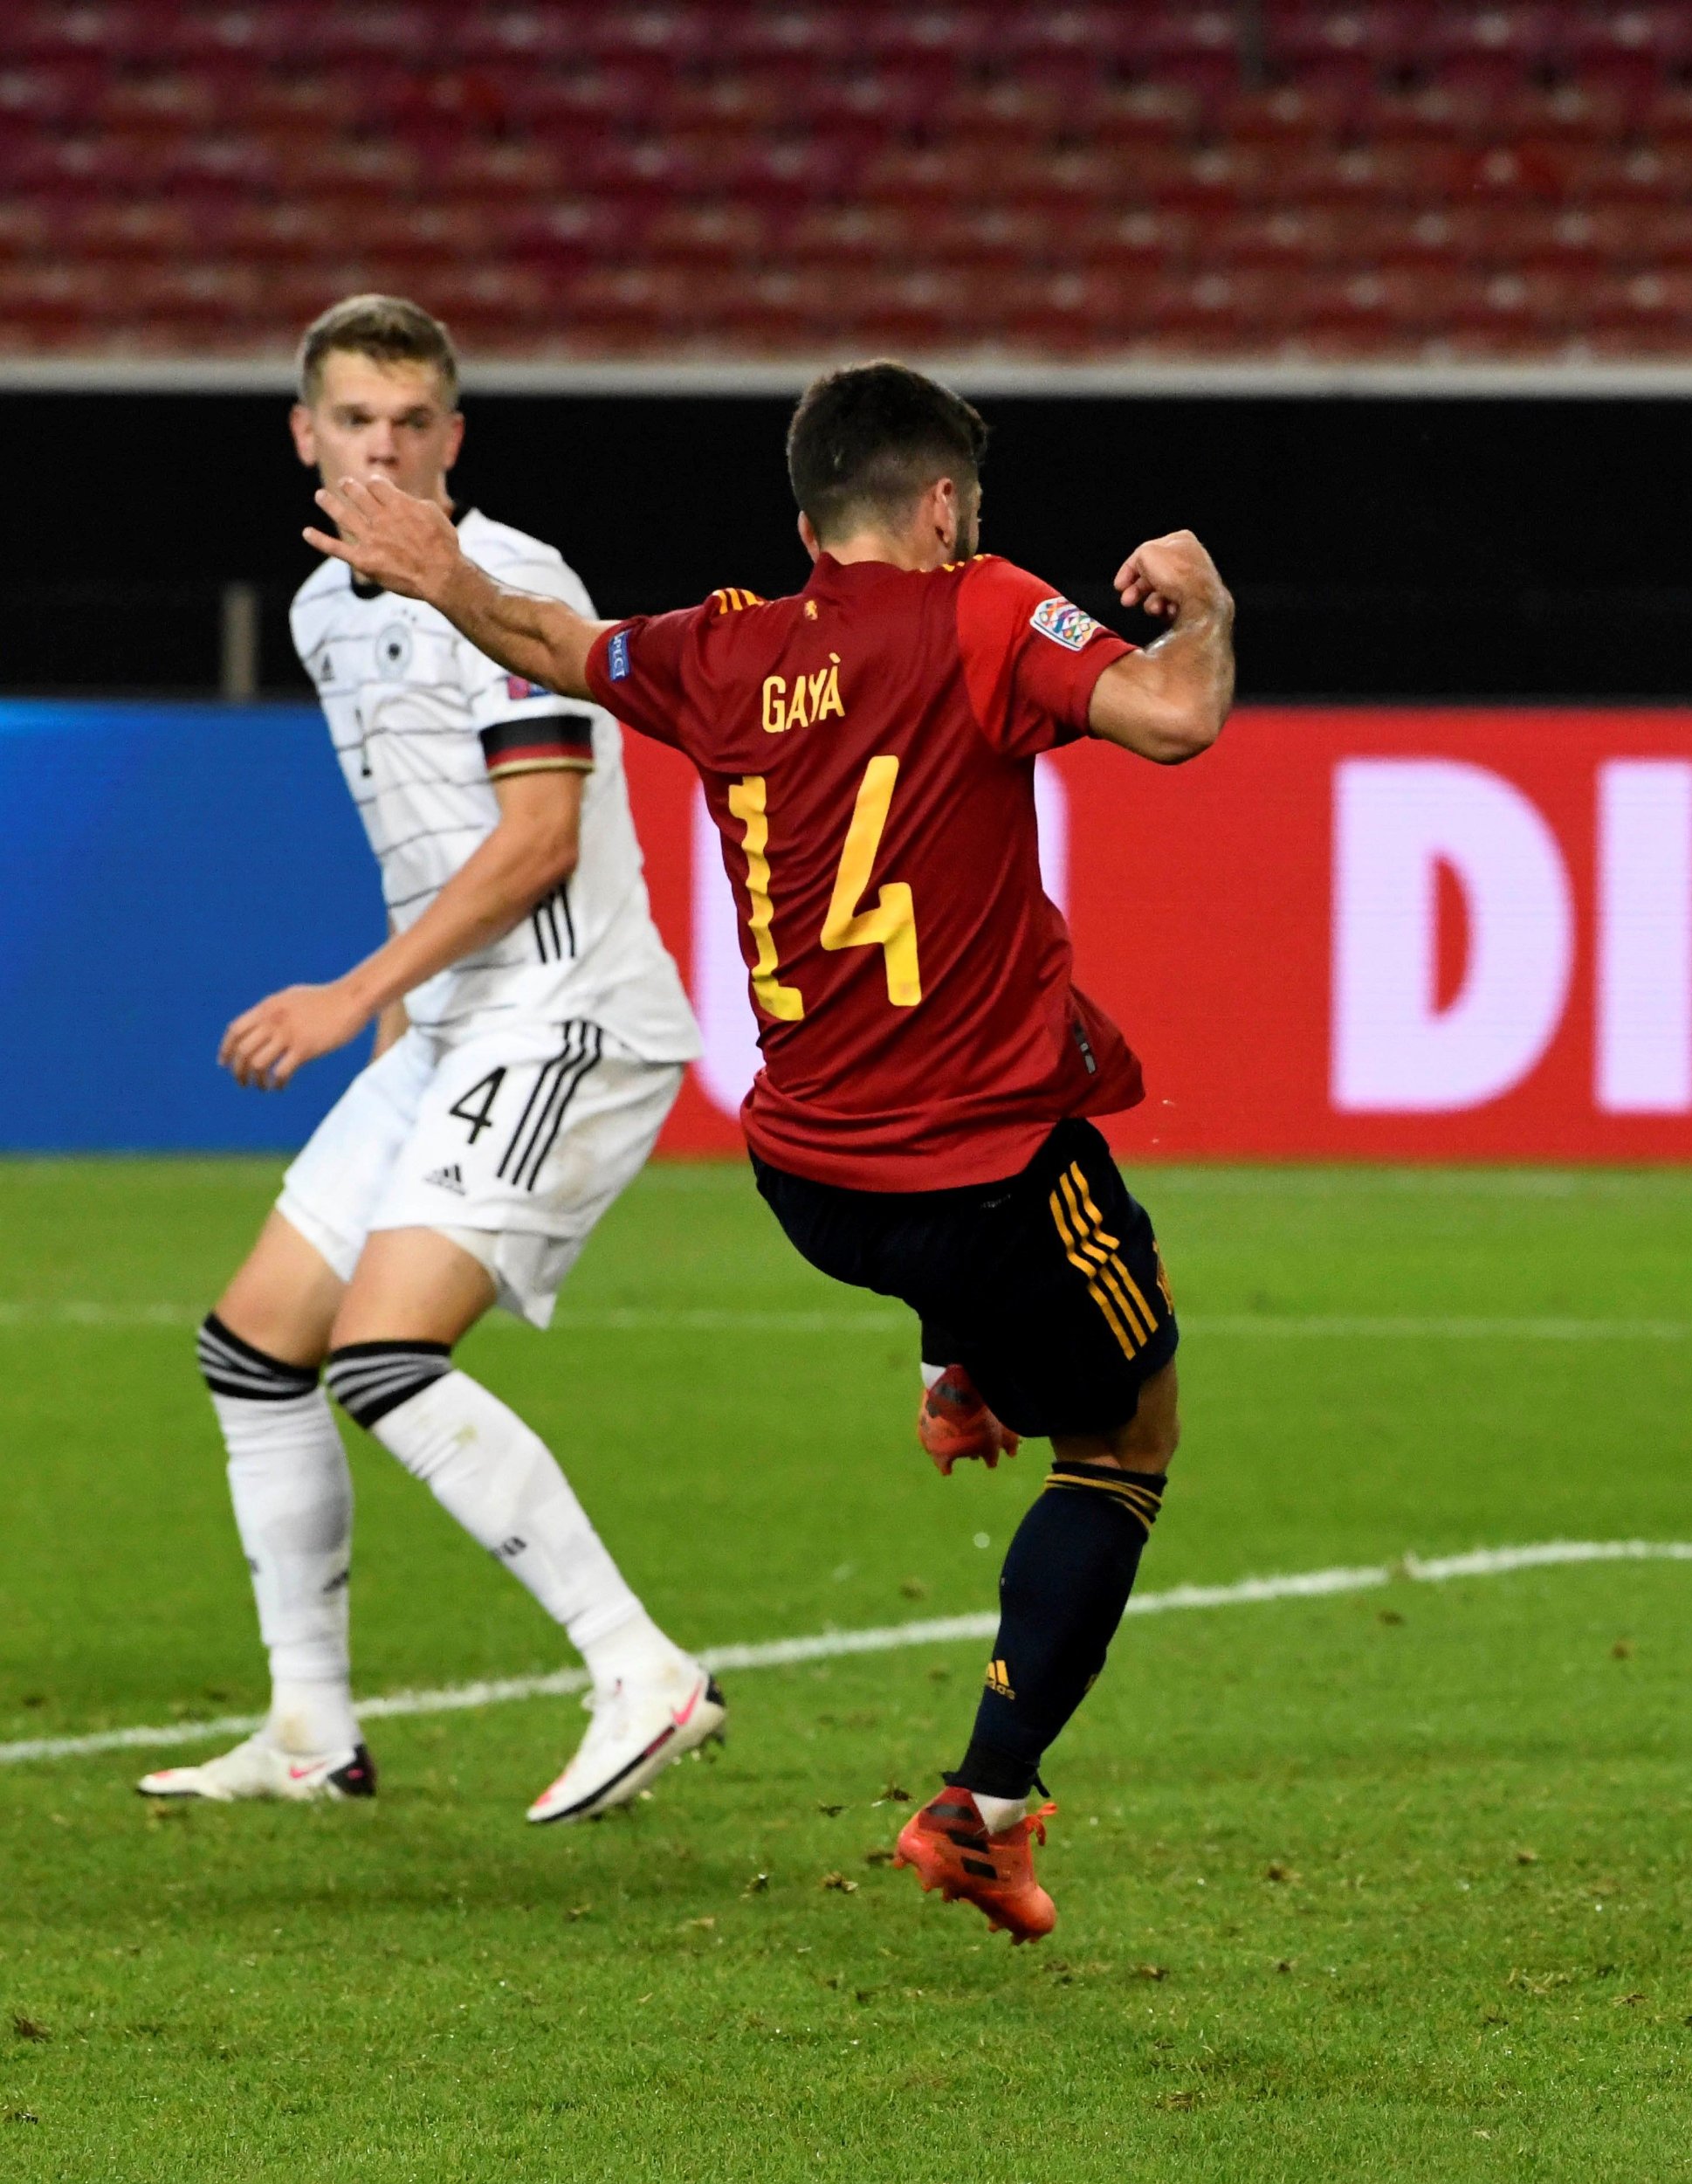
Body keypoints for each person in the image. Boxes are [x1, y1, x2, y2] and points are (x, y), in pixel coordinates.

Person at [298, 359, 1236, 1942]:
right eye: (971, 509)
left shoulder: (725, 647)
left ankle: (961, 1368)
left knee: (979, 1198)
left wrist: (439, 566)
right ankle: (984, 1812)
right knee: (1126, 1441)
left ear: (810, 514)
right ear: (942, 506)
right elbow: (1176, 719)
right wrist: (1201, 603)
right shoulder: (983, 606)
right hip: (980, 1168)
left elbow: (551, 642)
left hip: (807, 1171)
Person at [147, 293, 725, 1823]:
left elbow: (538, 843)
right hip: (453, 1019)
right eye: (356, 420)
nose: (386, 445)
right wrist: (407, 1005)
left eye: (414, 421)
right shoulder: (326, 604)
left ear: (454, 439)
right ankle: (309, 1732)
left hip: (566, 1012)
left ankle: (640, 1670)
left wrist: (356, 991)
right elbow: (432, 830)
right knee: (255, 1343)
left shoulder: (507, 579)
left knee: (385, 1357)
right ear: (307, 436)